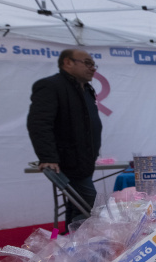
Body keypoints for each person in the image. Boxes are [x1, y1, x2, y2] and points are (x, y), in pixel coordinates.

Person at [27, 49, 101, 225]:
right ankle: (83, 242)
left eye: (93, 64)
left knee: (77, 205)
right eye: (87, 63)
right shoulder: (50, 86)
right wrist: (47, 156)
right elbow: (39, 123)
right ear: (68, 62)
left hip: (85, 160)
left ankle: (72, 241)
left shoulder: (86, 90)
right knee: (88, 203)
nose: (92, 68)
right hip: (69, 160)